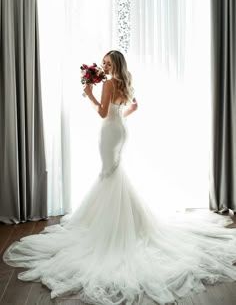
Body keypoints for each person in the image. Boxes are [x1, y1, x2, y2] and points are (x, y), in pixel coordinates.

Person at [3, 50, 236, 305]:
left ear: (115, 65)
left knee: (108, 175)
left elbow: (103, 113)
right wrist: (116, 114)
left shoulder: (108, 83)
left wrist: (89, 96)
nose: (103, 66)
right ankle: (122, 220)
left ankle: (110, 224)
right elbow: (131, 106)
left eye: (107, 63)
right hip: (121, 131)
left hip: (108, 133)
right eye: (102, 63)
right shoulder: (126, 80)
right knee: (113, 174)